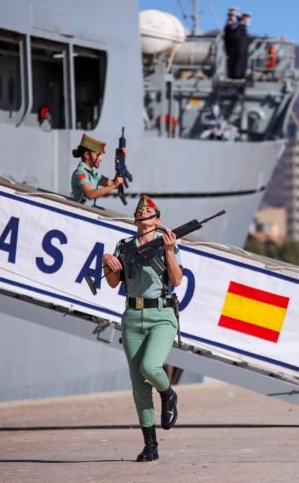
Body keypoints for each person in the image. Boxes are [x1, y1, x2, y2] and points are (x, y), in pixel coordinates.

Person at [102, 195, 182, 462]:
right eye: (140, 210)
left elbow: (177, 279)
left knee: (150, 367)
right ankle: (151, 445)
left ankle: (169, 395)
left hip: (161, 315)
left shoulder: (166, 244)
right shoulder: (124, 246)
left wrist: (169, 251)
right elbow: (114, 283)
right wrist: (108, 261)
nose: (144, 213)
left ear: (156, 219)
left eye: (149, 211)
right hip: (133, 316)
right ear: (137, 219)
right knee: (138, 384)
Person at [70, 134, 125, 207]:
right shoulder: (80, 173)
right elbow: (90, 194)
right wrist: (114, 185)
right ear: (87, 155)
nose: (100, 159)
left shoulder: (92, 173)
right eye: (98, 155)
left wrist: (120, 163)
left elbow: (113, 183)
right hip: (82, 213)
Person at [232, 12, 252, 79]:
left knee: (242, 63)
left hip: (242, 49)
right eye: (247, 18)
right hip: (240, 49)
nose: (248, 20)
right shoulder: (239, 27)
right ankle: (237, 76)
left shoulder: (242, 27)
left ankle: (240, 75)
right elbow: (237, 38)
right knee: (239, 63)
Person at [223, 6, 240, 78]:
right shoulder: (227, 26)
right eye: (230, 15)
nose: (231, 17)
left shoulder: (239, 26)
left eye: (232, 15)